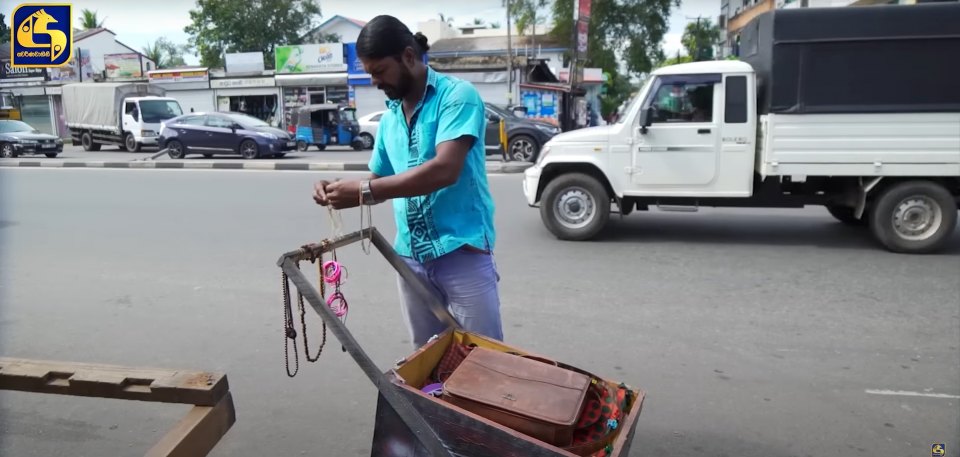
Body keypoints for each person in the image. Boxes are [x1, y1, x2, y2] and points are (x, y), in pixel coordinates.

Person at [311, 15, 503, 349]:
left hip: (462, 251)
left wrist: (365, 190)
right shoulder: (389, 120)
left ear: (409, 57)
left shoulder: (458, 96)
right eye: (369, 73)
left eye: (380, 71)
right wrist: (340, 189)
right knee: (427, 358)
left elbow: (445, 169)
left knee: (485, 357)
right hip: (411, 258)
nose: (374, 81)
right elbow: (379, 180)